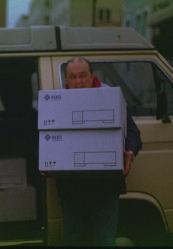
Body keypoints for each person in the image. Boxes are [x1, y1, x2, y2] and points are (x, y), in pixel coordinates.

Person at [56, 57, 142, 246]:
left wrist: (130, 151)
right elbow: (46, 138)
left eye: (83, 76)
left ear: (92, 76)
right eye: (73, 77)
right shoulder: (57, 103)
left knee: (104, 239)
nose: (78, 82)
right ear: (66, 80)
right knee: (74, 240)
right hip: (72, 186)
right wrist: (44, 160)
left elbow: (133, 132)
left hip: (104, 185)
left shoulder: (110, 97)